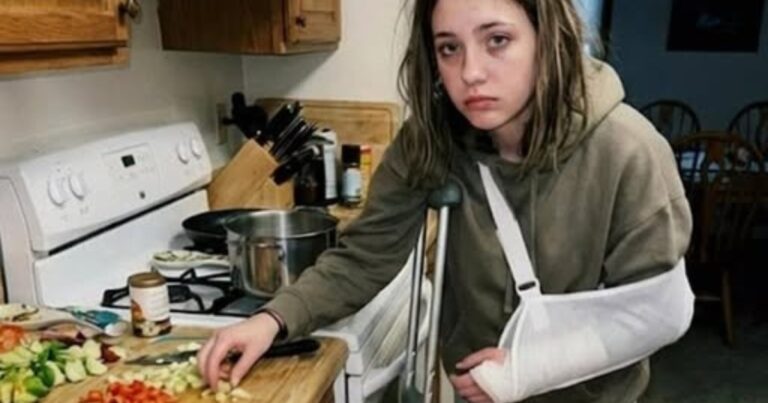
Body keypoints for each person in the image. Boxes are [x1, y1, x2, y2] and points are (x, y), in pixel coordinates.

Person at [197, 0, 693, 401]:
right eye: (449, 48)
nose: (470, 72)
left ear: (548, 37)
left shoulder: (630, 152)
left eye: (497, 40)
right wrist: (272, 319)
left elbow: (657, 313)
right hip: (476, 392)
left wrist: (524, 370)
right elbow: (366, 256)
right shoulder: (431, 139)